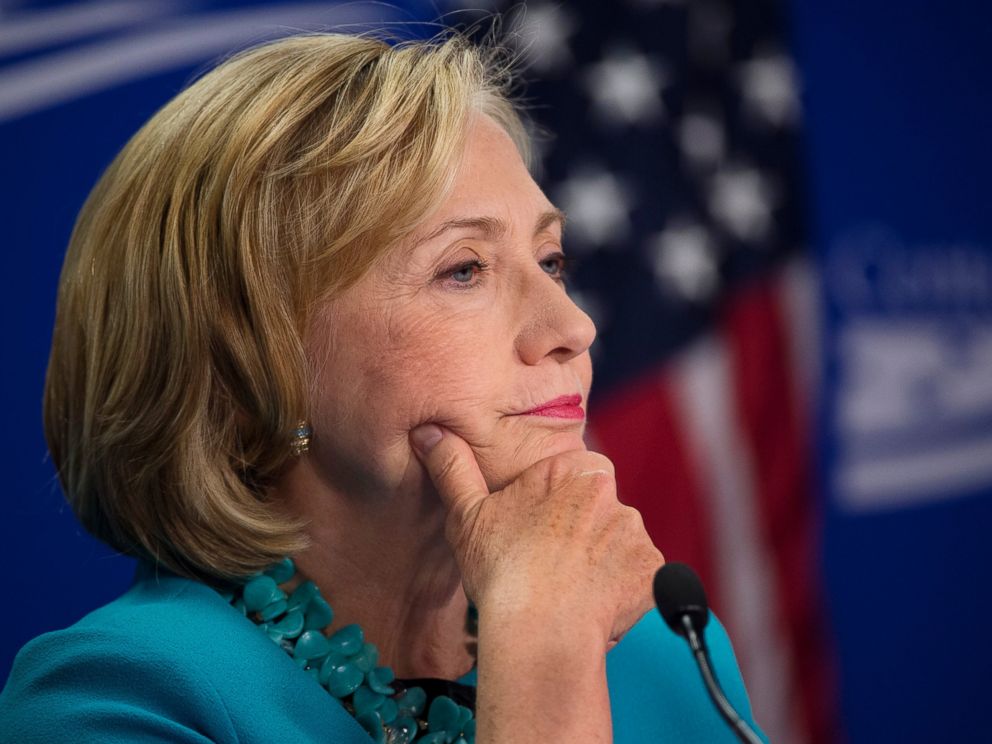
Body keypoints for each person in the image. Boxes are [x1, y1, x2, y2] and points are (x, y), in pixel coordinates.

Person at [0, 32, 764, 743]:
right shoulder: (115, 697)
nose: (572, 326)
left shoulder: (658, 645)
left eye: (552, 261)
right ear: (250, 362)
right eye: (463, 269)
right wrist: (544, 653)